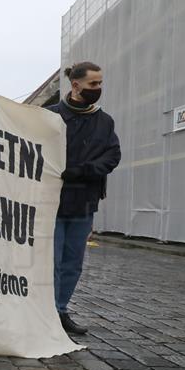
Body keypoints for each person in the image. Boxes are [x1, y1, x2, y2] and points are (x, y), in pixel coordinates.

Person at [47, 62, 121, 335]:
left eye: (100, 83)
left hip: (84, 200)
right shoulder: (50, 116)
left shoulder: (104, 121)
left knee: (72, 262)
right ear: (75, 85)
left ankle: (60, 309)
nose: (98, 89)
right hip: (51, 202)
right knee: (50, 261)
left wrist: (84, 171)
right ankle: (46, 312)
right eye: (93, 84)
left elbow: (113, 155)